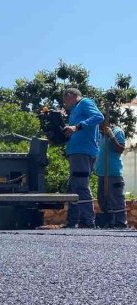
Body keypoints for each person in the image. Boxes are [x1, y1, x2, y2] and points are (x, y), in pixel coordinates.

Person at [61, 88, 104, 228]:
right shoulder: (75, 110)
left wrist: (77, 127)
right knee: (73, 187)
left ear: (70, 95)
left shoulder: (85, 102)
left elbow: (99, 117)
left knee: (80, 185)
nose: (65, 103)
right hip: (77, 151)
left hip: (83, 151)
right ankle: (73, 221)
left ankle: (88, 221)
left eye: (65, 99)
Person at [95, 119, 128, 228]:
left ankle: (120, 223)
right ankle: (109, 222)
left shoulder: (118, 131)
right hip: (102, 173)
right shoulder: (101, 135)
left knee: (116, 198)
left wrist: (112, 136)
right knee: (102, 199)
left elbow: (120, 149)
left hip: (113, 172)